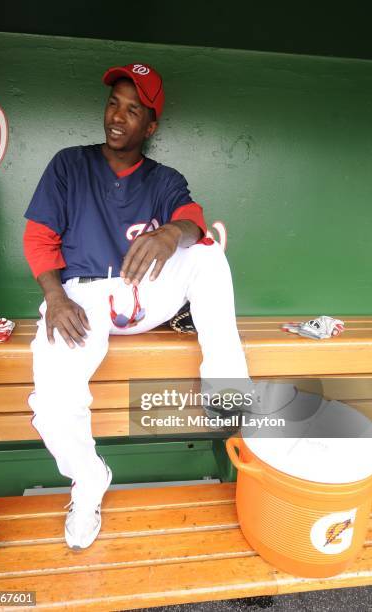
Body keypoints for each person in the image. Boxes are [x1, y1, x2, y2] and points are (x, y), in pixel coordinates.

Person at [23, 63, 250, 550]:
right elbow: (39, 237)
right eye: (113, 103)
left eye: (133, 109)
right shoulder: (70, 164)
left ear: (150, 126)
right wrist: (55, 296)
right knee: (52, 405)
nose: (118, 117)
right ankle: (88, 480)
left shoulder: (164, 178)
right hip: (80, 298)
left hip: (142, 292)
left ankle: (228, 389)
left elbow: (192, 218)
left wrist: (173, 233)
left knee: (206, 257)